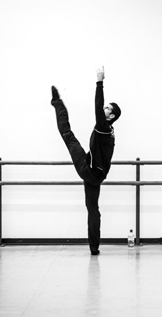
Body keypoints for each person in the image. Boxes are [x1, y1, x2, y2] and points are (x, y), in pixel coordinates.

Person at [51, 67, 121, 256]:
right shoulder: (110, 132)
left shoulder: (103, 127)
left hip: (88, 170)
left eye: (108, 109)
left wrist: (99, 82)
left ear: (111, 116)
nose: (104, 109)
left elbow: (97, 107)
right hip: (96, 175)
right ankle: (94, 248)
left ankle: (57, 103)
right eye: (106, 107)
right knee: (93, 209)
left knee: (68, 135)